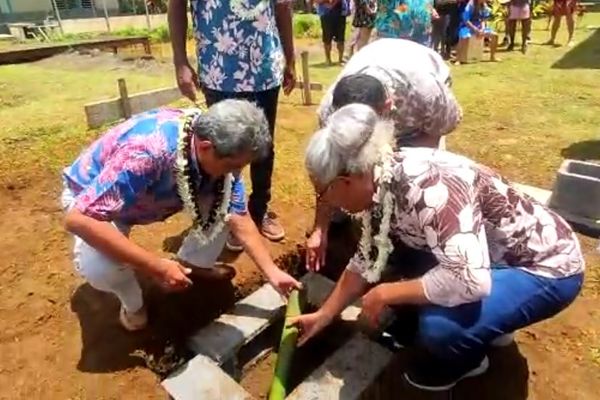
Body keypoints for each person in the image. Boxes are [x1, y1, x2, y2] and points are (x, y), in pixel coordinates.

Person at [293, 104, 585, 391]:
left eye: (323, 192)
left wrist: (385, 292)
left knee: (442, 329)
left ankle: (468, 361)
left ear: (346, 180)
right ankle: (494, 323)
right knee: (413, 276)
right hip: (488, 256)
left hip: (545, 266)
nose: (327, 202)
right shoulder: (379, 175)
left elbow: (470, 280)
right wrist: (324, 315)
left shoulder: (431, 189)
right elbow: (365, 258)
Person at [62, 101, 301, 331]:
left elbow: (238, 215)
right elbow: (80, 219)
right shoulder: (147, 152)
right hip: (97, 203)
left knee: (223, 203)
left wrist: (272, 272)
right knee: (101, 267)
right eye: (232, 166)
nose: (236, 173)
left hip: (146, 200)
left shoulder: (216, 142)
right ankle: (133, 304)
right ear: (206, 147)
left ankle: (192, 265)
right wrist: (155, 267)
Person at [311, 38, 461, 267]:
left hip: (418, 114)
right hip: (379, 63)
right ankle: (343, 215)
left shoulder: (426, 94)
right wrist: (320, 229)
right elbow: (326, 169)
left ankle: (416, 240)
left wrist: (401, 181)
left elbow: (437, 133)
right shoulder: (330, 113)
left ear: (388, 107)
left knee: (416, 185)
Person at [168, 0, 296, 251]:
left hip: (264, 68)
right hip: (219, 70)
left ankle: (258, 210)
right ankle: (229, 213)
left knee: (263, 148)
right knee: (222, 149)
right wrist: (180, 62)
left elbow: (282, 6)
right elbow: (177, 6)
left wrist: (289, 57)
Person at [315, 0, 351, 65]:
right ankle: (328, 60)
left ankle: (340, 59)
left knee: (341, 38)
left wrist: (333, 3)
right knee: (327, 38)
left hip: (340, 13)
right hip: (325, 13)